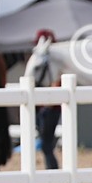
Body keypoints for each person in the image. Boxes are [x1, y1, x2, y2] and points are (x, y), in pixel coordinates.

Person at [32, 29, 61, 175]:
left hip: (49, 109)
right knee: (46, 144)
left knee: (46, 144)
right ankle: (52, 175)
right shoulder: (46, 62)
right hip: (46, 107)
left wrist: (45, 106)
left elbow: (56, 84)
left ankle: (53, 176)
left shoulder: (55, 64)